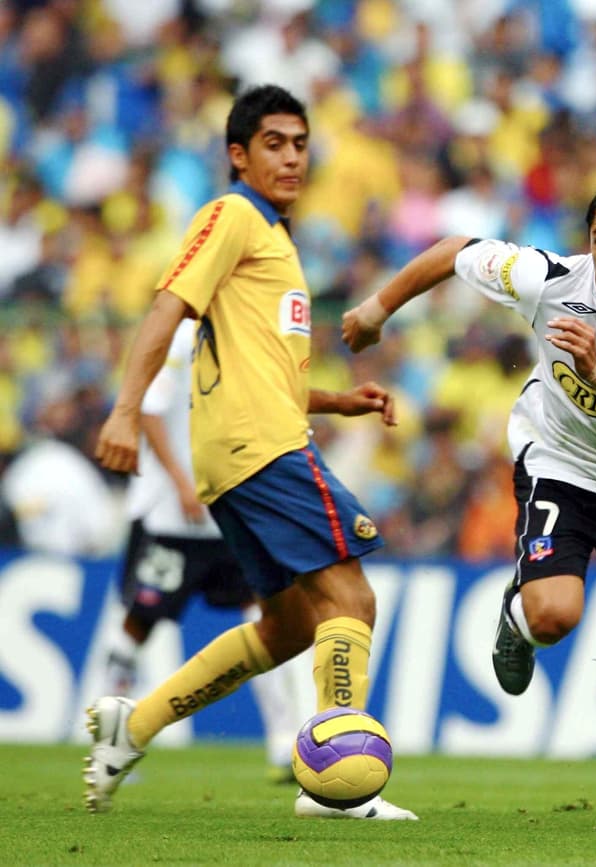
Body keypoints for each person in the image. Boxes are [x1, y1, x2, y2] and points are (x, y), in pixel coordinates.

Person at [343, 174, 596, 831]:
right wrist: (378, 307)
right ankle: (517, 614)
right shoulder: (548, 279)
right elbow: (456, 249)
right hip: (561, 465)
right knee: (553, 615)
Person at [89, 84, 415, 820]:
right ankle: (335, 784)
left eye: (300, 143)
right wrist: (125, 410)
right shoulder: (232, 214)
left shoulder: (275, 239)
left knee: (293, 625)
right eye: (274, 142)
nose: (292, 156)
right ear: (238, 155)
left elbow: (265, 375)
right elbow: (167, 307)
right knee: (352, 597)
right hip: (260, 451)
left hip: (245, 450)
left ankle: (130, 727)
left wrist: (338, 400)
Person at [102, 319, 306, 782]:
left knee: (268, 617)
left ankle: (284, 743)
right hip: (172, 516)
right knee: (139, 621)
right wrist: (181, 483)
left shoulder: (247, 331)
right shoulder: (180, 334)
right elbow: (150, 412)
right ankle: (109, 740)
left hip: (229, 508)